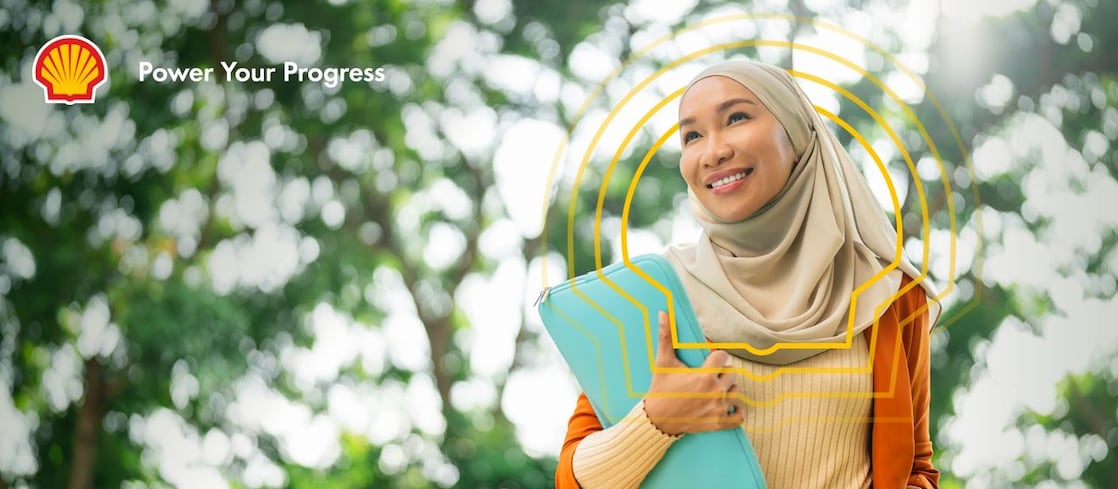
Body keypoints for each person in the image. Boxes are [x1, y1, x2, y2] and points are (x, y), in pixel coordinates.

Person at [555, 59, 941, 489]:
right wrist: (655, 421)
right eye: (692, 136)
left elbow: (915, 469)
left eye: (736, 118)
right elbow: (572, 479)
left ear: (797, 134)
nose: (713, 151)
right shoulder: (656, 293)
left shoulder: (887, 294)